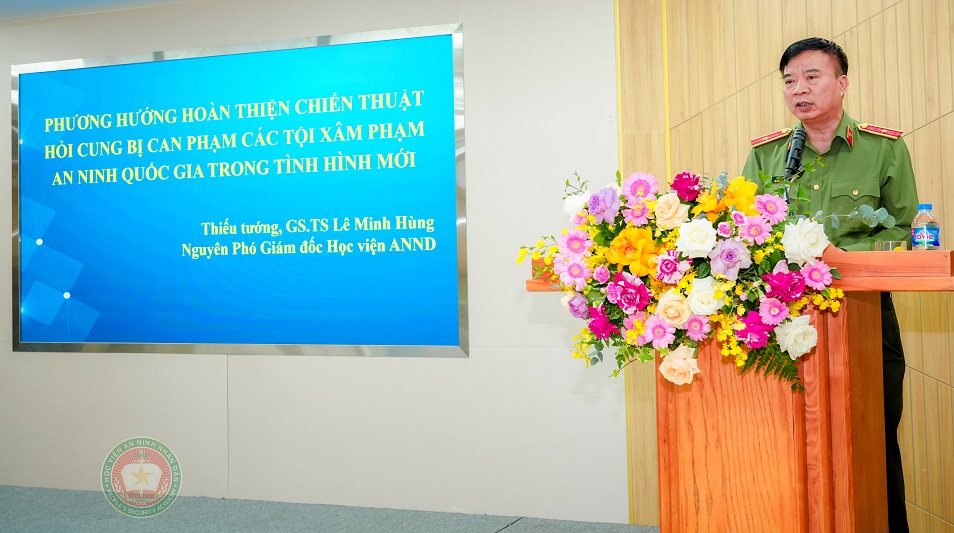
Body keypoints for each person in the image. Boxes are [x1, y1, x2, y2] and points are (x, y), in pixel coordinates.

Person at [741, 37, 917, 533]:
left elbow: (905, 230)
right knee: (787, 439)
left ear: (842, 83)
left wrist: (840, 263)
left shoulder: (883, 149)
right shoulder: (767, 155)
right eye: (789, 80)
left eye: (811, 77)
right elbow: (744, 233)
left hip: (863, 316)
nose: (798, 89)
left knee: (873, 438)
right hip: (783, 323)